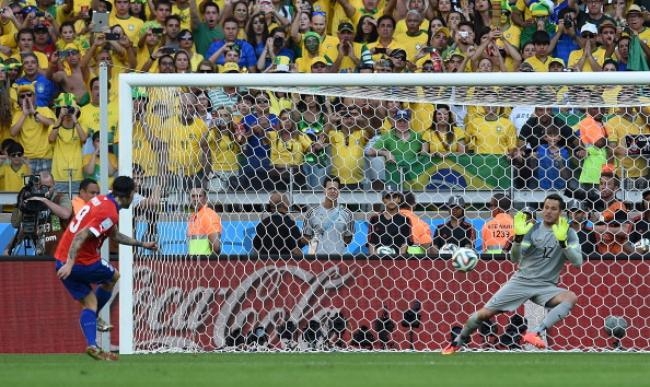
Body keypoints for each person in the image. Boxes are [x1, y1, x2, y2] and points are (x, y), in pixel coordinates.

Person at [442, 194, 583, 355]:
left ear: (561, 212)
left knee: (570, 297)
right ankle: (457, 342)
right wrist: (518, 238)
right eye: (546, 208)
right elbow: (515, 257)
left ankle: (534, 333)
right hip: (521, 282)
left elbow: (577, 262)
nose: (549, 212)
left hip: (546, 287)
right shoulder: (532, 230)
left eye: (553, 209)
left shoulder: (568, 233)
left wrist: (563, 243)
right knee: (483, 314)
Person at [54, 176, 157, 360]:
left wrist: (141, 244)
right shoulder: (110, 213)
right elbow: (81, 235)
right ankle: (94, 319)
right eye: (134, 193)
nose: (134, 197)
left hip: (60, 260)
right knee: (113, 276)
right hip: (80, 261)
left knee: (90, 304)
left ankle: (92, 345)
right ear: (127, 195)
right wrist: (71, 263)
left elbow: (114, 235)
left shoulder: (102, 200)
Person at [7, 171, 73, 256]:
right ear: (37, 186)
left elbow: (65, 214)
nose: (46, 191)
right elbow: (21, 227)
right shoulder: (33, 202)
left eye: (48, 187)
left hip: (60, 255)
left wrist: (44, 200)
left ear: (54, 184)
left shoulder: (61, 198)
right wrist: (9, 248)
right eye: (42, 187)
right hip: (42, 256)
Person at [302, 176, 354, 255]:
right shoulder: (311, 212)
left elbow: (348, 239)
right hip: (317, 259)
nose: (333, 191)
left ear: (339, 191)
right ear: (324, 190)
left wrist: (336, 247)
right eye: (329, 188)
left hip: (338, 259)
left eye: (335, 189)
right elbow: (305, 237)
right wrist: (316, 244)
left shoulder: (347, 213)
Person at [253, 191, 306, 256]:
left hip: (267, 263)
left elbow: (256, 248)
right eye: (287, 201)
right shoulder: (289, 224)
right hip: (285, 263)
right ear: (285, 205)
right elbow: (296, 250)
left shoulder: (261, 225)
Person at [367, 189, 412, 256]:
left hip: (397, 260)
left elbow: (404, 244)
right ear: (383, 200)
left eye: (394, 197)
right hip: (378, 260)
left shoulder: (405, 219)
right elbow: (371, 243)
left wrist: (399, 260)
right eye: (388, 197)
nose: (391, 200)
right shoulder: (375, 219)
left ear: (399, 199)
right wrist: (375, 259)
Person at [187, 185, 222, 255]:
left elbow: (216, 247)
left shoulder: (209, 215)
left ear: (206, 199)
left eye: (199, 196)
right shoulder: (192, 216)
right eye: (193, 196)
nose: (195, 199)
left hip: (206, 262)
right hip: (193, 262)